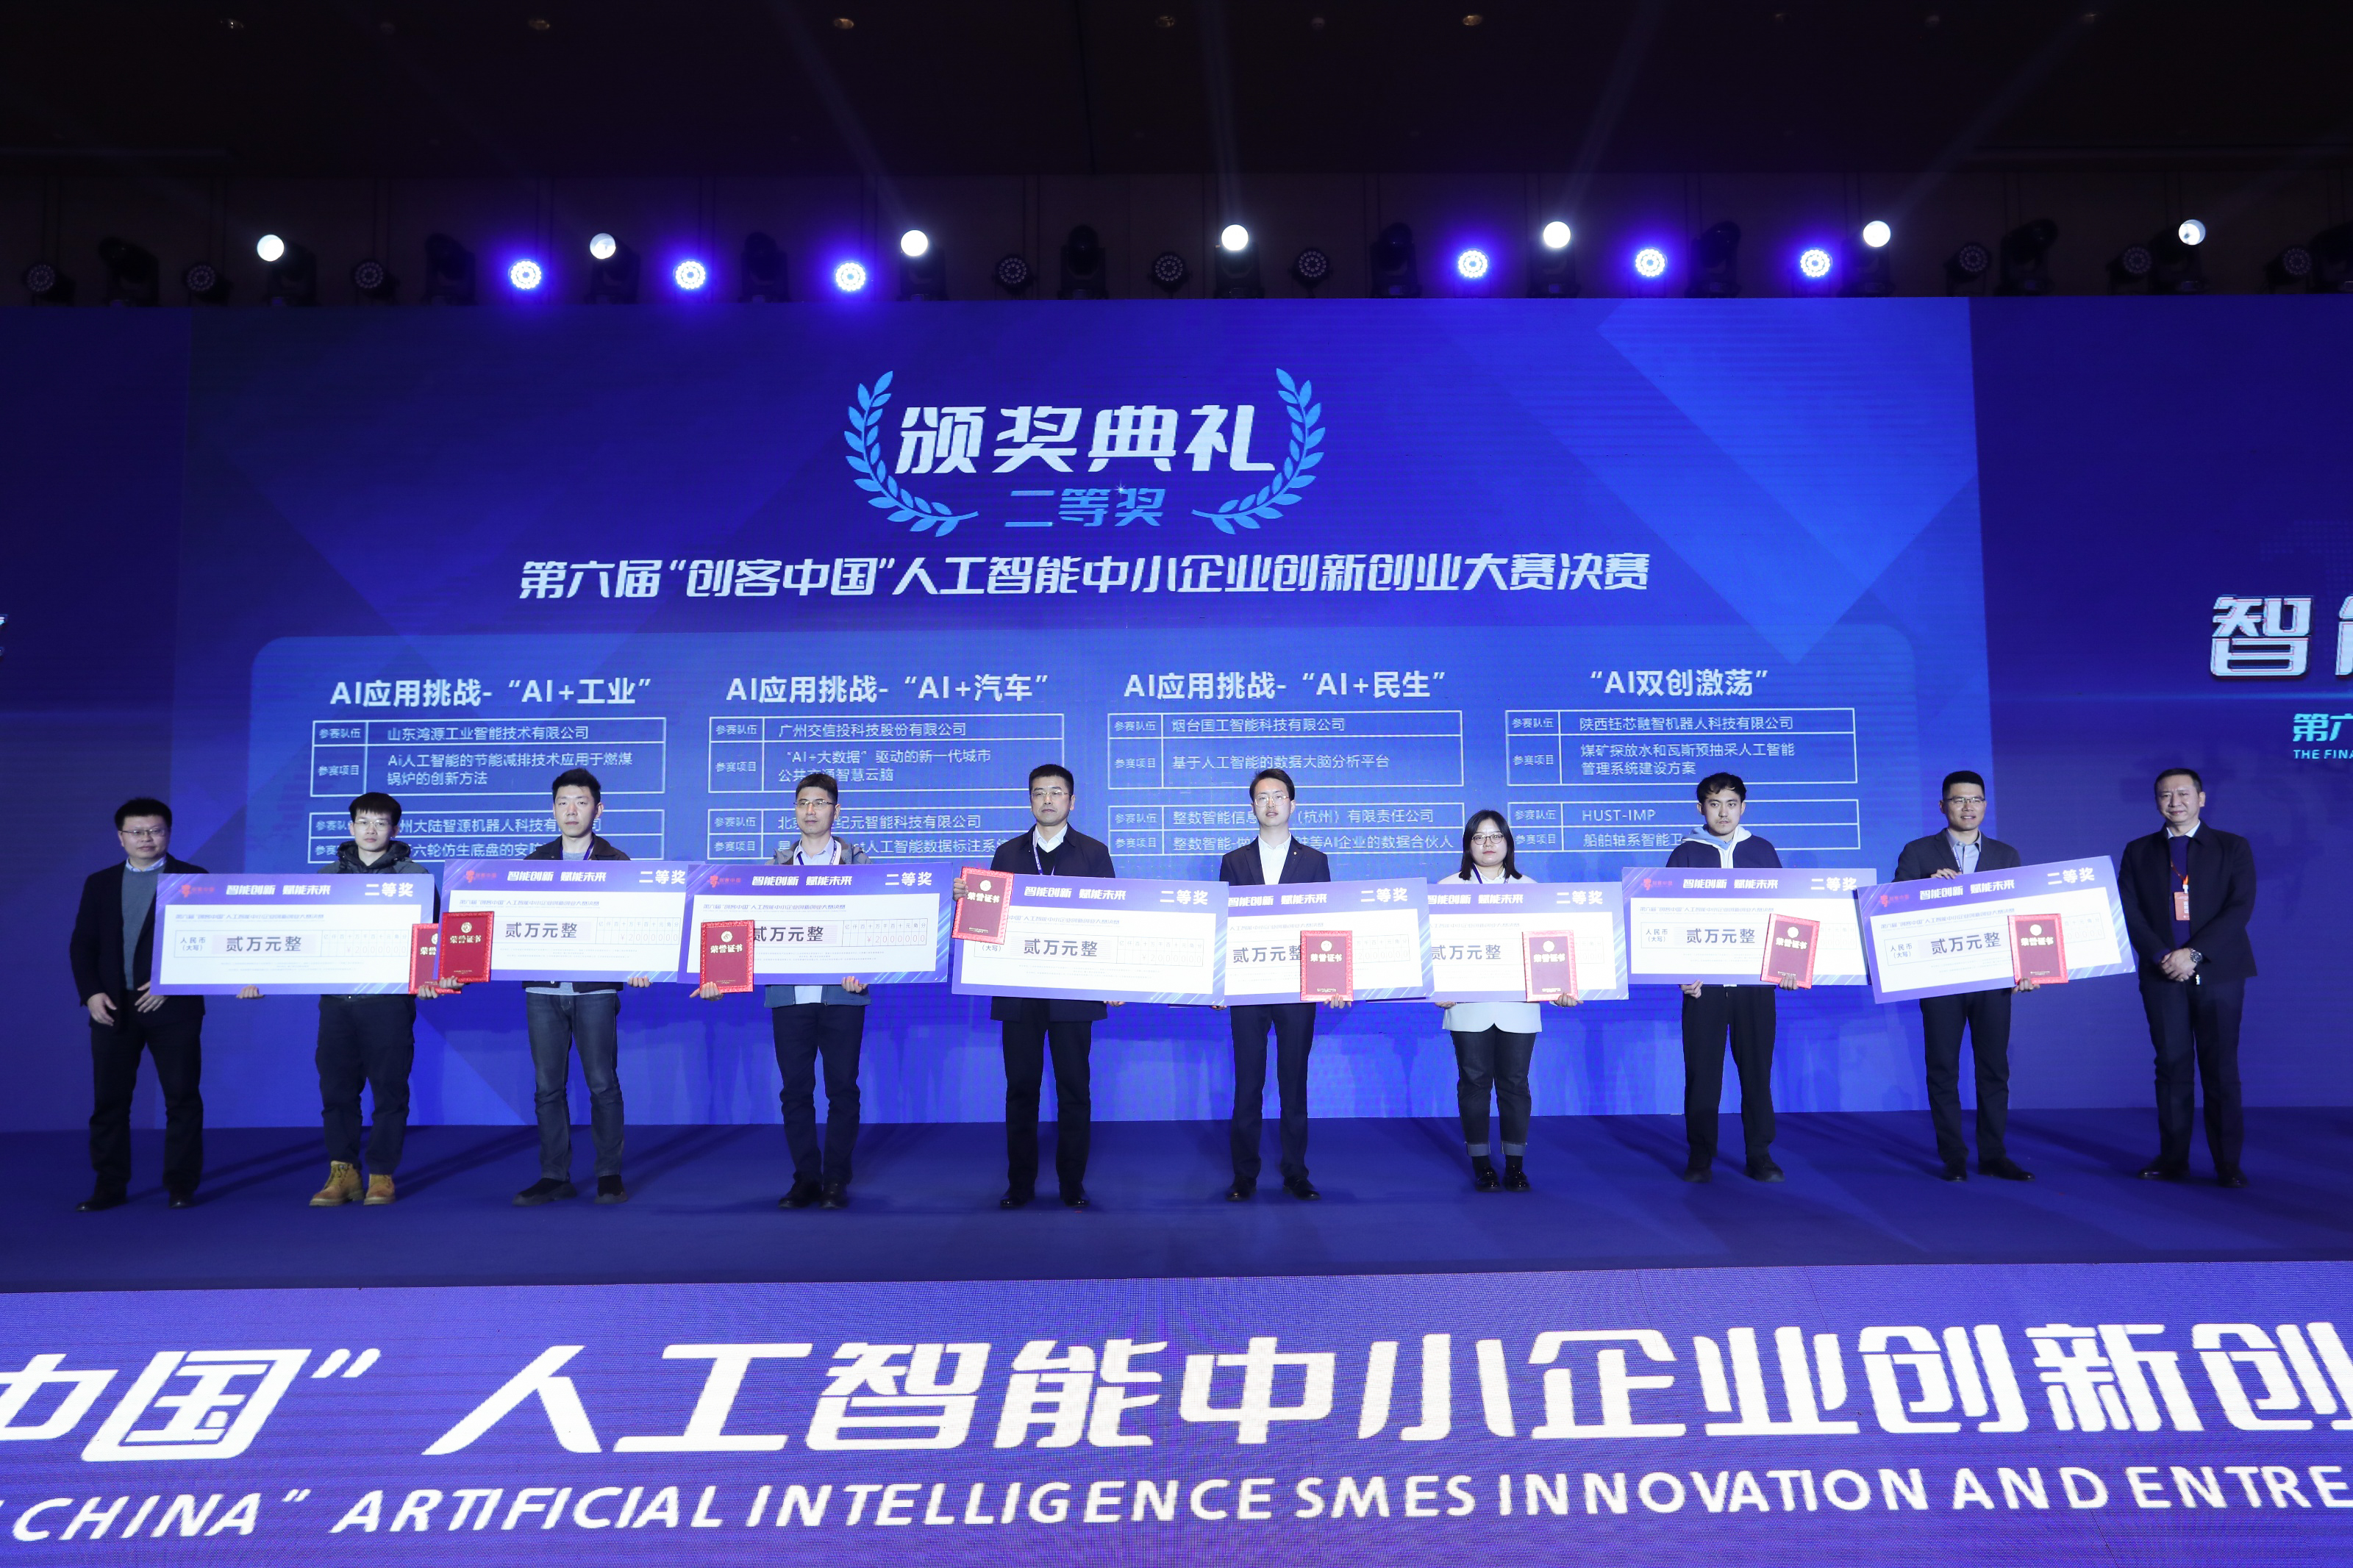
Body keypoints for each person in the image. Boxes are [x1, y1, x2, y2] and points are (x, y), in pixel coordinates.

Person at [694, 772, 871, 1211]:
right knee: (795, 1091)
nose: (810, 811)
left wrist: (869, 969)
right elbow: (747, 932)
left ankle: (836, 1180)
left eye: (819, 803)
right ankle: (806, 1178)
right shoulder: (773, 871)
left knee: (842, 1089)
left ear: (836, 810)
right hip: (789, 997)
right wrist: (718, 979)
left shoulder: (860, 866)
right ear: (795, 811)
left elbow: (878, 927)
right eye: (802, 803)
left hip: (843, 995)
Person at [971, 763, 1118, 1209]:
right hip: (1019, 994)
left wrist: (1115, 976)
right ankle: (1020, 1184)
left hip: (1074, 993)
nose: (1047, 800)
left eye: (1056, 792)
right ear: (1030, 801)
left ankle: (1072, 1184)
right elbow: (988, 922)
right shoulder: (1007, 854)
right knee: (1021, 1090)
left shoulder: (1093, 854)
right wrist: (969, 901)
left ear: (1072, 801)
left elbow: (1113, 920)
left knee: (1074, 1090)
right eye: (1039, 793)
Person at [514, 768, 650, 1207]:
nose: (571, 810)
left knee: (602, 1084)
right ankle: (554, 1176)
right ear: (553, 809)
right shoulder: (533, 864)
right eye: (563, 802)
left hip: (596, 990)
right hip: (543, 991)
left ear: (598, 809)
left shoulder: (617, 864)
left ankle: (609, 1174)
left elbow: (637, 924)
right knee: (547, 1088)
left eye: (581, 802)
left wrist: (640, 962)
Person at [1892, 771, 2036, 1183]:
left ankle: (1994, 1154)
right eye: (1959, 800)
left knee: (1994, 1069)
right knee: (1943, 1069)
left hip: (1993, 980)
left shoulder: (2006, 855)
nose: (1968, 807)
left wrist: (2028, 966)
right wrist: (1924, 889)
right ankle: (1953, 1156)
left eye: (1975, 800)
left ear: (1985, 805)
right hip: (1940, 978)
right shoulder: (1919, 852)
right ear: (1943, 806)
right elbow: (1892, 907)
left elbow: (2022, 914)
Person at [2116, 767, 2257, 1187]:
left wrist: (2193, 954)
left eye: (2183, 793)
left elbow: (2240, 907)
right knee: (2172, 1066)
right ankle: (2173, 1158)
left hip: (2219, 971)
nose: (2174, 802)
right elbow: (2128, 910)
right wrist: (2164, 956)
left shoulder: (2232, 846)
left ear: (2201, 798)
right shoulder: (2138, 851)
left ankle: (2228, 1164)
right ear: (2156, 801)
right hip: (2162, 973)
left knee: (2221, 1067)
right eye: (2165, 795)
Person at [69, 798, 207, 1211]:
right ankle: (109, 1186)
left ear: (169, 833)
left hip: (174, 1009)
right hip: (113, 1007)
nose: (147, 838)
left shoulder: (194, 879)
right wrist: (91, 993)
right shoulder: (100, 883)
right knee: (110, 1102)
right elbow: (83, 944)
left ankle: (181, 1186)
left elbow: (209, 942)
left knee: (182, 1099)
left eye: (156, 830)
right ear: (121, 837)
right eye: (137, 831)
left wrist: (172, 981)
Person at [306, 792, 443, 1206]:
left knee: (389, 1091)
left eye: (380, 823)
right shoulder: (327, 876)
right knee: (337, 1091)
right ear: (351, 827)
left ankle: (382, 1174)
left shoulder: (415, 878)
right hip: (337, 1001)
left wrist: (427, 977)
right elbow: (305, 936)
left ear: (394, 829)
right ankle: (343, 1173)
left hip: (388, 1002)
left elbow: (431, 939)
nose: (371, 830)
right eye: (363, 822)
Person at [1429, 811, 1576, 1192]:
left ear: (1508, 843)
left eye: (1496, 836)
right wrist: (1437, 987)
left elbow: (1549, 948)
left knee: (1515, 1084)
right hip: (1467, 1007)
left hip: (1518, 1007)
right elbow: (1433, 949)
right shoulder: (1447, 889)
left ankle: (1515, 1165)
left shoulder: (1531, 889)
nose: (1488, 843)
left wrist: (1560, 989)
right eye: (1479, 837)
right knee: (1473, 1083)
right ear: (1468, 845)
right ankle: (1482, 1165)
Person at [1668, 772, 1799, 1184]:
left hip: (1755, 985)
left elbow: (1784, 913)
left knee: (1757, 1073)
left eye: (1731, 804)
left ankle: (1760, 1154)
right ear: (1700, 809)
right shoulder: (1685, 854)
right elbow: (1668, 919)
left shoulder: (1762, 850)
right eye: (1714, 804)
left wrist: (1789, 965)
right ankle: (1700, 1156)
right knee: (1701, 1075)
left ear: (1744, 807)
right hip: (1702, 988)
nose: (1723, 813)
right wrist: (1680, 974)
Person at [1215, 767, 1337, 1202]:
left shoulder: (1315, 860)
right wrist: (1218, 985)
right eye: (1262, 797)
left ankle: (1296, 1173)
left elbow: (1325, 924)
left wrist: (1331, 980)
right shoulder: (1234, 861)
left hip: (1297, 988)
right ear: (1252, 807)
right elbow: (1224, 927)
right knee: (1248, 1085)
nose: (1271, 804)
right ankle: (1244, 1175)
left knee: (1294, 1083)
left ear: (1292, 804)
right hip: (1248, 987)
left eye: (1278, 796)